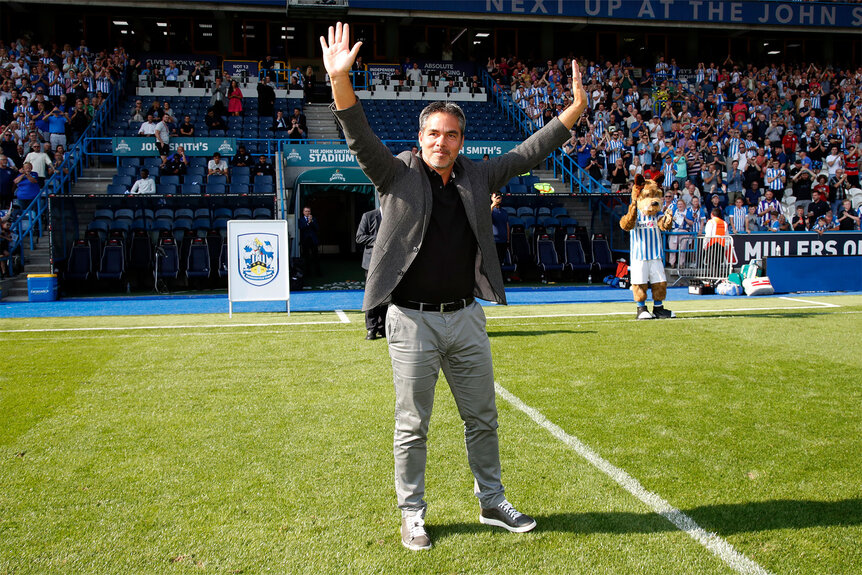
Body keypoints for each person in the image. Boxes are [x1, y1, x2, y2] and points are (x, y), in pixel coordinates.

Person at [321, 21, 587, 550]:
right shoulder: (395, 174)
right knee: (412, 426)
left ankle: (492, 501)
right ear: (420, 139)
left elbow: (529, 152)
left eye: (451, 135)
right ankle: (412, 513)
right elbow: (358, 134)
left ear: (462, 141)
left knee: (483, 418)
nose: (441, 142)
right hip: (411, 320)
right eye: (433, 134)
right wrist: (338, 79)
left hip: (465, 317)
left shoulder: (477, 176)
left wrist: (575, 109)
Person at [355, 206, 385, 340]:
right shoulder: (368, 216)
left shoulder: (394, 215)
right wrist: (379, 239)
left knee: (386, 295)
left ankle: (383, 327)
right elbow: (359, 237)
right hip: (371, 263)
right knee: (372, 295)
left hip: (389, 263)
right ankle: (371, 329)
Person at [297, 205, 320, 277]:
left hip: (313, 240)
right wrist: (308, 223)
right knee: (306, 257)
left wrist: (311, 221)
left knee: (315, 256)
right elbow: (301, 227)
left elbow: (317, 228)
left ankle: (318, 272)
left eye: (309, 211)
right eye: (306, 211)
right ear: (303, 212)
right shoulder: (300, 220)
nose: (307, 212)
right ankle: (307, 272)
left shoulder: (314, 219)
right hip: (305, 240)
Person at [490, 190, 509, 267]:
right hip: (494, 241)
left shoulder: (504, 212)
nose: (498, 198)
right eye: (496, 197)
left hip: (503, 241)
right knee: (494, 262)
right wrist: (493, 205)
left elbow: (507, 225)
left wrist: (508, 239)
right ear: (492, 198)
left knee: (501, 261)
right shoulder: (490, 210)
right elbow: (486, 218)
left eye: (499, 197)